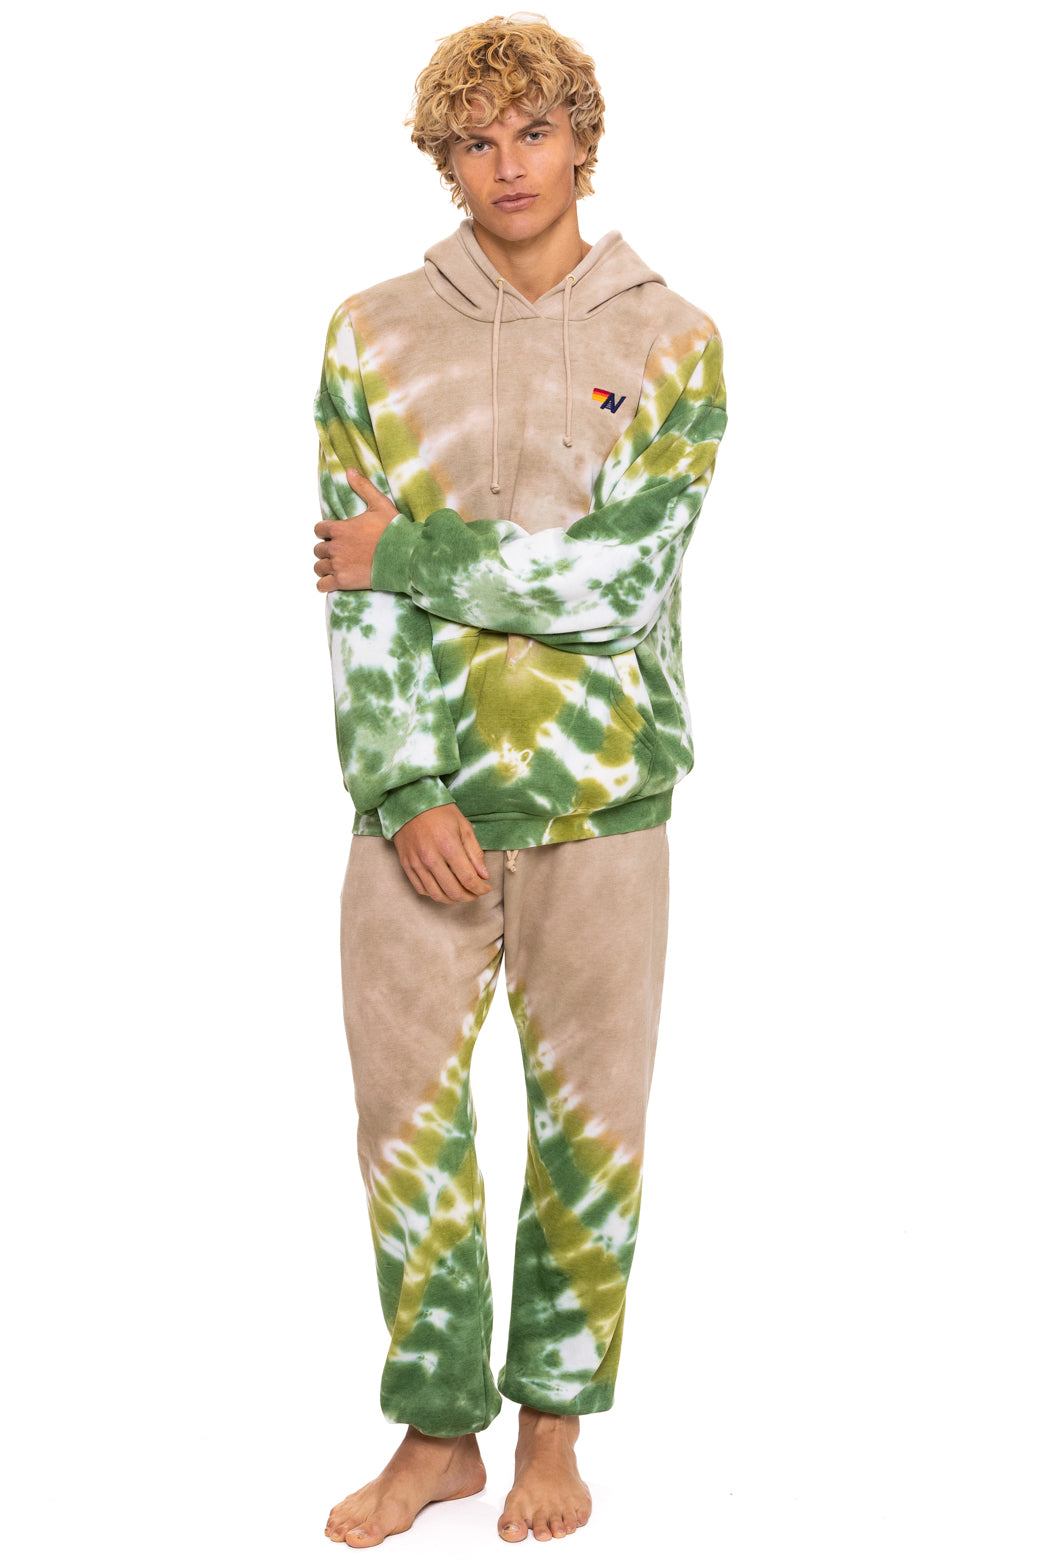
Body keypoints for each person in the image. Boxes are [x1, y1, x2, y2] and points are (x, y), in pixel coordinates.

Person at [311, 13, 727, 1546]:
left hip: (605, 798)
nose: (506, 165)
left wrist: (411, 551)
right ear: (445, 159)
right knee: (406, 1128)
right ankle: (437, 1434)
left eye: (532, 132)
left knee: (589, 1129)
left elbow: (619, 584)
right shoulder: (371, 333)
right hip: (417, 812)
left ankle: (556, 1425)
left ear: (581, 141)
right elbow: (349, 592)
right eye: (475, 141)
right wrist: (402, 783)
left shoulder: (670, 339)